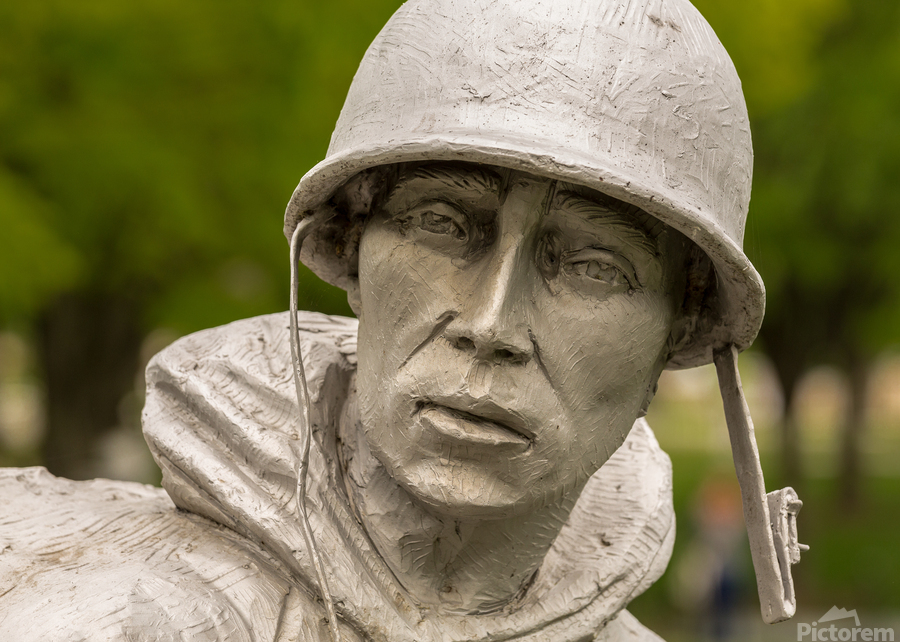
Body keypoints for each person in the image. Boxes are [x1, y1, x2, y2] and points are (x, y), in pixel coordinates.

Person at [0, 0, 803, 640]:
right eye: (443, 226)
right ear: (346, 242)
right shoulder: (126, 618)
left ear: (685, 330)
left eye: (595, 267)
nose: (491, 326)